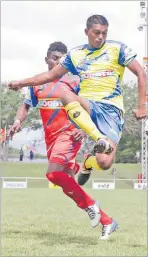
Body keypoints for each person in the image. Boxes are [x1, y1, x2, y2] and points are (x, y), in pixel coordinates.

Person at [8, 15, 147, 185]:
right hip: (87, 105)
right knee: (66, 95)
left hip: (111, 110)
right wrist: (21, 82)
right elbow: (50, 75)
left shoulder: (117, 49)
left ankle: (88, 162)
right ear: (86, 32)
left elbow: (141, 73)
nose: (100, 37)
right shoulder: (76, 54)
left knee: (104, 163)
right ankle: (99, 139)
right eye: (96, 33)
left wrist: (142, 106)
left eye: (104, 33)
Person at [8, 41, 117, 240]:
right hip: (51, 139)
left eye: (62, 59)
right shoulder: (37, 84)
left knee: (53, 175)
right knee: (66, 182)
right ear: (47, 59)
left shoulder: (75, 82)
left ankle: (92, 206)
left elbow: (90, 107)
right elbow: (25, 106)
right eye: (54, 58)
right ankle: (107, 220)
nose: (58, 62)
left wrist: (83, 129)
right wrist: (17, 121)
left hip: (69, 134)